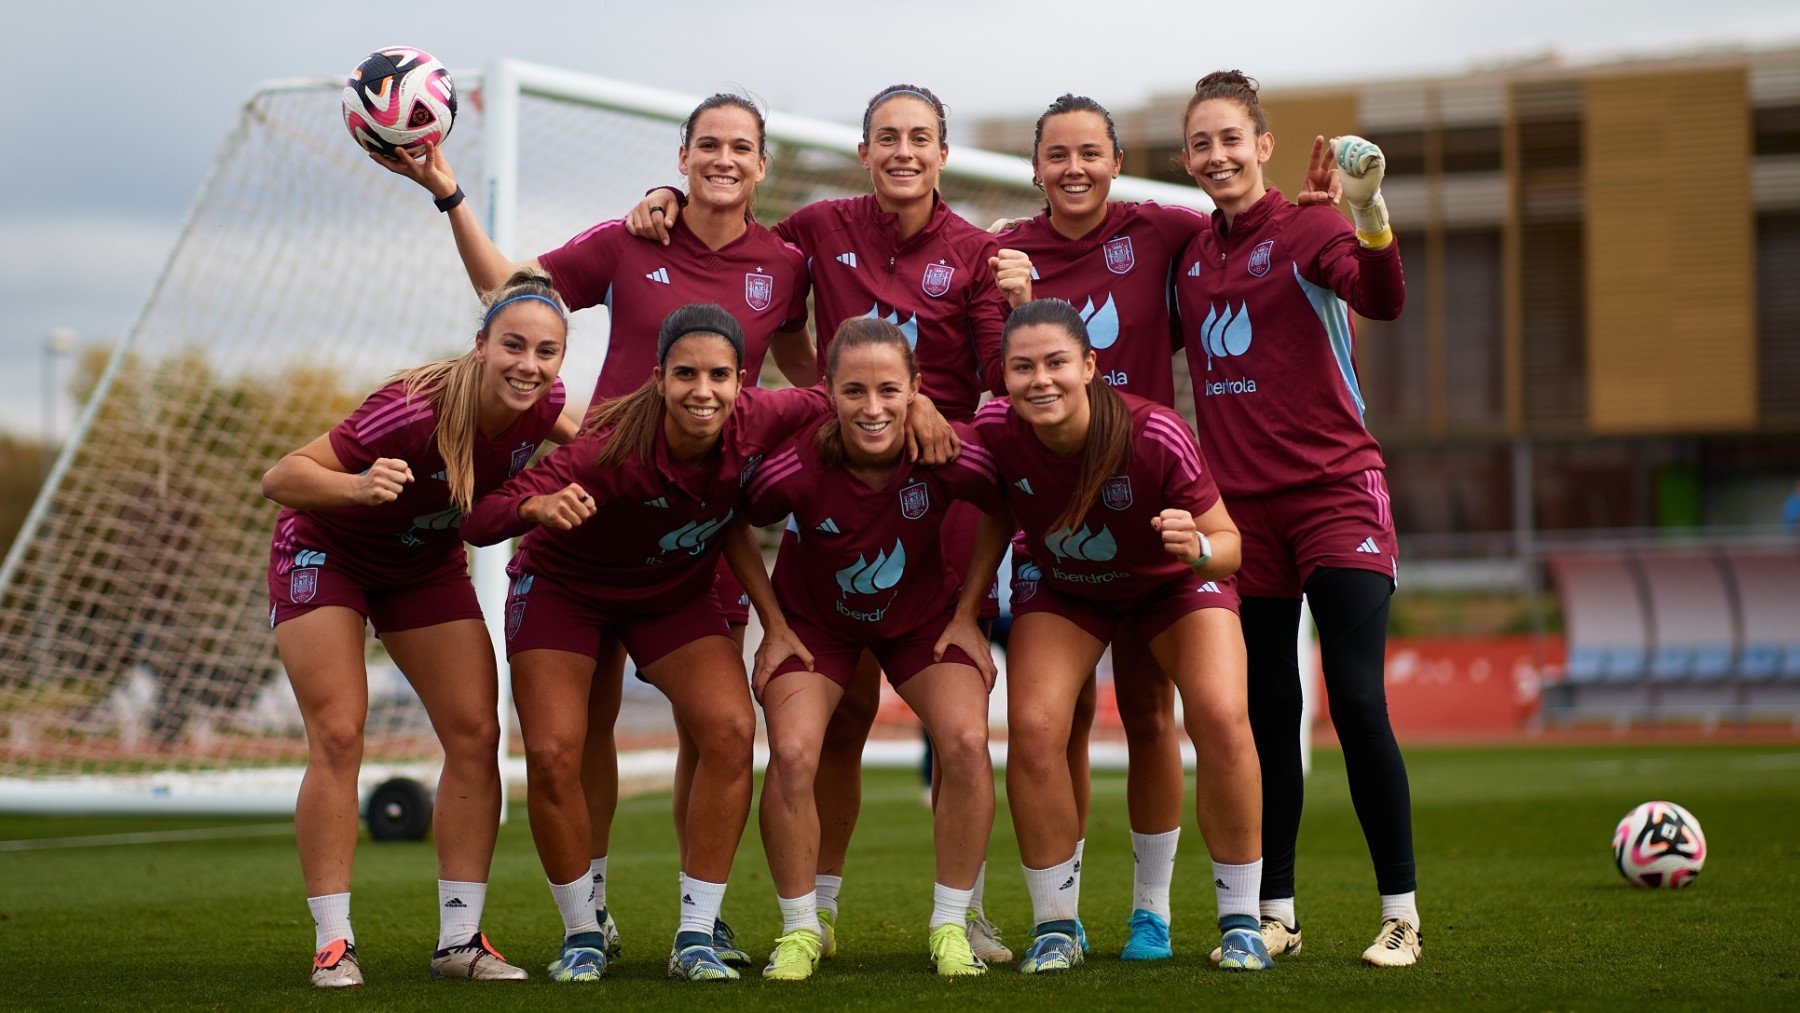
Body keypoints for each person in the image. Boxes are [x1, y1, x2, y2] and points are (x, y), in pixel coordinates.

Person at [375, 93, 816, 966]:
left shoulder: (788, 265)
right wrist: (450, 195)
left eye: (742, 148)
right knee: (576, 739)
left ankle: (702, 920)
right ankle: (593, 918)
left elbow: (811, 377)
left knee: (717, 731)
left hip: (696, 523)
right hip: (593, 493)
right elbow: (512, 294)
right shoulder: (630, 239)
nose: (725, 160)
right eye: (708, 146)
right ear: (682, 156)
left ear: (763, 165)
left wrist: (887, 414)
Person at [628, 83, 1025, 962]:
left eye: (921, 137)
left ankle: (970, 911)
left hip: (939, 500)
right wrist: (669, 203)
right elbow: (737, 235)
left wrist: (932, 416)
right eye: (887, 137)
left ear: (943, 152)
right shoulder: (818, 227)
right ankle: (819, 916)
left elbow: (1005, 372)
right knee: (832, 725)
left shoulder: (977, 249)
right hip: (836, 489)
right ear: (864, 150)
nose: (903, 152)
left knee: (962, 731)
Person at [459, 305, 948, 982]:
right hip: (566, 590)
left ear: (741, 380)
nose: (703, 390)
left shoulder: (759, 417)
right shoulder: (605, 449)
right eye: (685, 374)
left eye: (719, 375)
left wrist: (920, 407)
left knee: (727, 729)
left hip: (670, 594)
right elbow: (478, 517)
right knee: (551, 752)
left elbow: (847, 391)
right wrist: (532, 507)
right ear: (659, 378)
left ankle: (695, 933)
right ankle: (582, 931)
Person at [261, 269, 573, 988]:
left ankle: (460, 941)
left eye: (546, 352)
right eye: (514, 346)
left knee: (476, 732)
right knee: (340, 731)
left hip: (423, 564)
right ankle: (333, 943)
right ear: (481, 345)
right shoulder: (408, 409)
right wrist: (357, 486)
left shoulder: (545, 401)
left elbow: (584, 438)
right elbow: (282, 476)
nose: (528, 364)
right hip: (327, 551)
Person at [1170, 70, 1419, 967]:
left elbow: (1382, 298)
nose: (1217, 156)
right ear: (1185, 158)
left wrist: (1370, 212)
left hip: (1336, 494)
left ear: (1263, 145)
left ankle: (1401, 913)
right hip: (1244, 520)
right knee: (1267, 714)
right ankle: (1276, 909)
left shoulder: (1313, 224)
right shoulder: (1190, 258)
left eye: (1231, 138)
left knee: (1354, 697)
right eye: (1200, 143)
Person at [953, 297, 1269, 974]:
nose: (1041, 379)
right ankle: (1055, 926)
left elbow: (1230, 544)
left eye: (1057, 362)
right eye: (1022, 367)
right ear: (1002, 377)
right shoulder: (997, 429)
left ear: (1090, 365)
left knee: (1217, 713)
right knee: (1034, 726)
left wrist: (1197, 550)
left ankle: (1237, 920)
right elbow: (988, 503)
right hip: (1068, 584)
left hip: (1172, 583)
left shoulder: (1154, 434)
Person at [741, 317, 1000, 979]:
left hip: (923, 623)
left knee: (968, 743)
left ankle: (950, 925)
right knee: (795, 750)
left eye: (890, 388)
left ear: (917, 388)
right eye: (854, 390)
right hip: (817, 625)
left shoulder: (944, 450)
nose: (874, 406)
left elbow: (1006, 500)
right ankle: (803, 927)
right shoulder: (798, 461)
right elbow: (727, 516)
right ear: (827, 390)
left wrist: (971, 613)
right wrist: (771, 622)